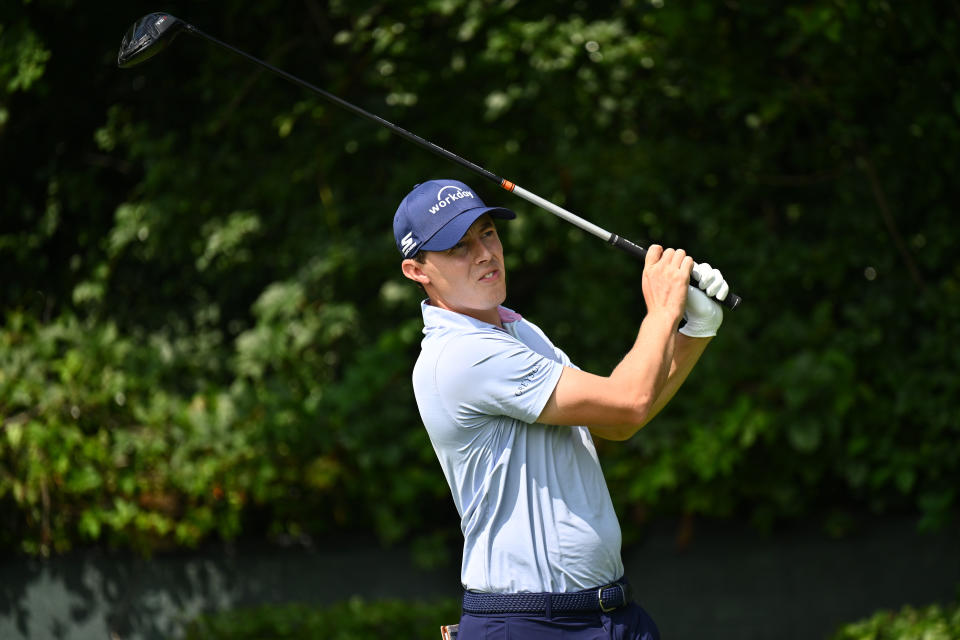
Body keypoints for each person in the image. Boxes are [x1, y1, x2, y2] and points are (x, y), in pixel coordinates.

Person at [393, 179, 729, 640]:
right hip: (530, 623)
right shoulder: (460, 355)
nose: (484, 254)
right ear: (417, 271)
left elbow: (614, 422)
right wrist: (662, 312)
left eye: (487, 233)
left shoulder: (519, 332)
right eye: (458, 247)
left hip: (611, 614)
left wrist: (695, 329)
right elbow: (627, 404)